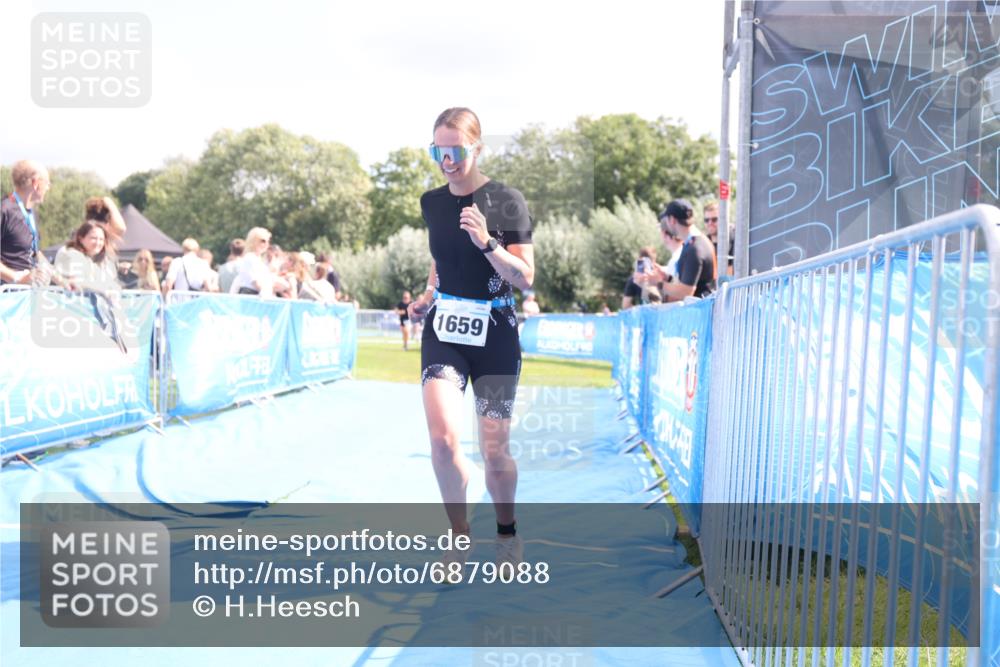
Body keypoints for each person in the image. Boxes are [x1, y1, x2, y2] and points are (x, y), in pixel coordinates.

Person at [406, 107, 534, 575]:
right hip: (445, 331)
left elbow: (525, 278)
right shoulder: (432, 203)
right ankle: (459, 536)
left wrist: (487, 242)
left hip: (496, 333)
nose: (447, 159)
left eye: (456, 150)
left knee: (494, 451)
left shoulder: (505, 201)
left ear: (477, 148)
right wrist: (428, 295)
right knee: (441, 441)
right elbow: (441, 258)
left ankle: (507, 533)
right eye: (438, 150)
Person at [654, 199, 717, 300]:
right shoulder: (697, 242)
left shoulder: (694, 248)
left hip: (700, 312)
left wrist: (658, 283)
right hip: (703, 309)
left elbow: (686, 292)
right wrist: (667, 278)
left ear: (672, 220)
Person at [1, 160, 50, 285]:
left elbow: (33, 252)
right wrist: (16, 278)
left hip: (25, 295)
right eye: (47, 183)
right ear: (35, 183)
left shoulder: (31, 214)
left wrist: (62, 280)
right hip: (6, 296)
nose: (48, 187)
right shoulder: (5, 210)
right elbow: (19, 279)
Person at [53, 221, 120, 293]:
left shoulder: (101, 260)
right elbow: (77, 283)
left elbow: (113, 285)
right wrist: (104, 290)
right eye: (93, 238)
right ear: (81, 238)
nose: (98, 243)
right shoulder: (71, 254)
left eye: (101, 239)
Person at [230, 227, 274, 296]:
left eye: (268, 241)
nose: (266, 244)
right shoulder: (250, 257)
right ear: (253, 241)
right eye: (263, 241)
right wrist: (266, 294)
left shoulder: (259, 259)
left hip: (258, 295)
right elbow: (254, 281)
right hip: (250, 294)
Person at [703, 200, 734, 276]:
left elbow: (731, 271)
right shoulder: (705, 242)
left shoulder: (734, 237)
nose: (710, 223)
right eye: (707, 220)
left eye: (714, 219)